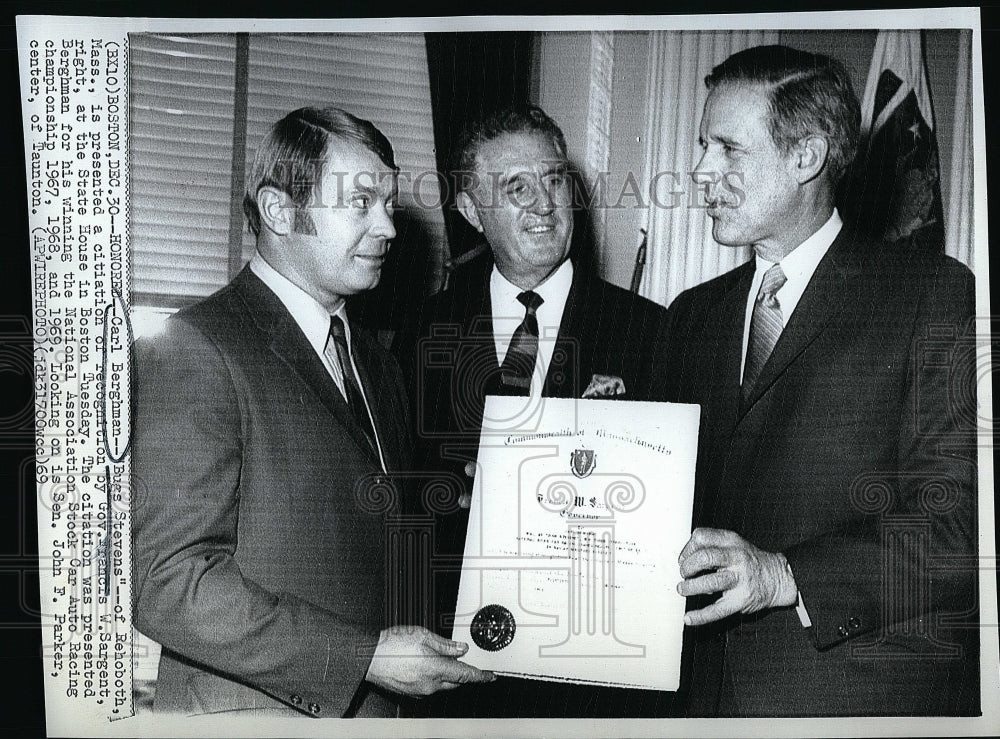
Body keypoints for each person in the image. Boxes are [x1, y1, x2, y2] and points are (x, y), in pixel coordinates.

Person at [131, 106, 493, 718]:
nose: (388, 228)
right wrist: (363, 658)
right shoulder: (195, 347)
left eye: (387, 203)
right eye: (360, 202)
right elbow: (169, 582)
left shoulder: (376, 363)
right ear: (278, 211)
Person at [660, 45, 979, 716]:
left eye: (726, 148)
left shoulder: (931, 294)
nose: (699, 171)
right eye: (700, 146)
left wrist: (784, 574)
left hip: (850, 702)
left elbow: (956, 527)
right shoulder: (692, 315)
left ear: (805, 157)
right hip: (697, 703)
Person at [399, 104, 673, 717]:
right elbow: (398, 492)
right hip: (453, 673)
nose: (544, 205)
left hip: (593, 678)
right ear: (471, 212)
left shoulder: (651, 332)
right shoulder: (424, 331)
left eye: (554, 181)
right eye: (515, 188)